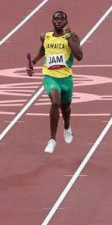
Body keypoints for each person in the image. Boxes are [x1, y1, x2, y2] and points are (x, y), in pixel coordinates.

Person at [27, 11, 83, 154]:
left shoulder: (73, 36)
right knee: (55, 103)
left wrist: (69, 37)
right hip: (50, 76)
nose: (58, 21)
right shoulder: (45, 36)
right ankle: (52, 140)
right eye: (55, 19)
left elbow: (79, 56)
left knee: (65, 108)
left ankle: (67, 126)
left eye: (61, 19)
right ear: (52, 21)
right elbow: (43, 51)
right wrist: (33, 62)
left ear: (66, 21)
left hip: (66, 79)